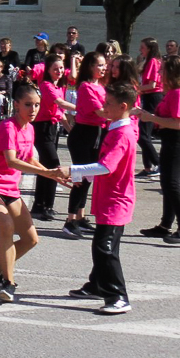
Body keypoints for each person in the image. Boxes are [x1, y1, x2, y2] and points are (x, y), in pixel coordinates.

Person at [0, 84, 60, 302]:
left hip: (10, 188)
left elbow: (30, 158)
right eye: (28, 104)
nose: (33, 109)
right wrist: (47, 173)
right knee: (6, 225)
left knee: (31, 239)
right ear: (17, 105)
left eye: (37, 105)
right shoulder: (7, 128)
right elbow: (12, 160)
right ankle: (8, 283)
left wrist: (51, 174)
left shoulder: (29, 128)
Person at [62, 82, 138, 314]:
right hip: (109, 198)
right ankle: (96, 285)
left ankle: (118, 295)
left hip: (117, 201)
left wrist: (74, 170)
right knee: (104, 246)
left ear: (123, 106)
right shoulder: (115, 128)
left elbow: (106, 166)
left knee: (104, 248)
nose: (104, 107)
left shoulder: (121, 134)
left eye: (108, 104)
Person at [135, 55, 180, 243]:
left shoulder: (177, 93)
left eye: (162, 70)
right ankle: (165, 224)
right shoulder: (171, 92)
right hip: (170, 140)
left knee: (171, 183)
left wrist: (152, 118)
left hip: (176, 140)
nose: (159, 73)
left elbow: (177, 122)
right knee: (167, 182)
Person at [63, 52, 108, 239]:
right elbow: (101, 111)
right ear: (90, 66)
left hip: (95, 134)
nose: (104, 68)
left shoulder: (101, 85)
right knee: (80, 178)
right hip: (82, 134)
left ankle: (80, 217)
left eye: (105, 65)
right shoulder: (86, 87)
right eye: (99, 65)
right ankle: (69, 221)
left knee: (89, 177)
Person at [30, 55, 75, 222]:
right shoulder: (46, 85)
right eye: (55, 69)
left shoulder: (58, 86)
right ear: (48, 70)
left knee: (46, 167)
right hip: (42, 128)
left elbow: (60, 112)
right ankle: (46, 205)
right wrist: (84, 108)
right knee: (53, 165)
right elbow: (61, 104)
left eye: (61, 68)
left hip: (52, 127)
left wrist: (70, 129)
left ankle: (40, 205)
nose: (59, 71)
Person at [137, 38, 164, 178]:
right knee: (143, 135)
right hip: (148, 98)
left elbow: (152, 85)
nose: (140, 49)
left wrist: (135, 89)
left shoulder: (153, 61)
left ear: (149, 48)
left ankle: (158, 164)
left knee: (142, 135)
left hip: (153, 98)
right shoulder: (148, 61)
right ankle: (148, 167)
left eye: (143, 47)